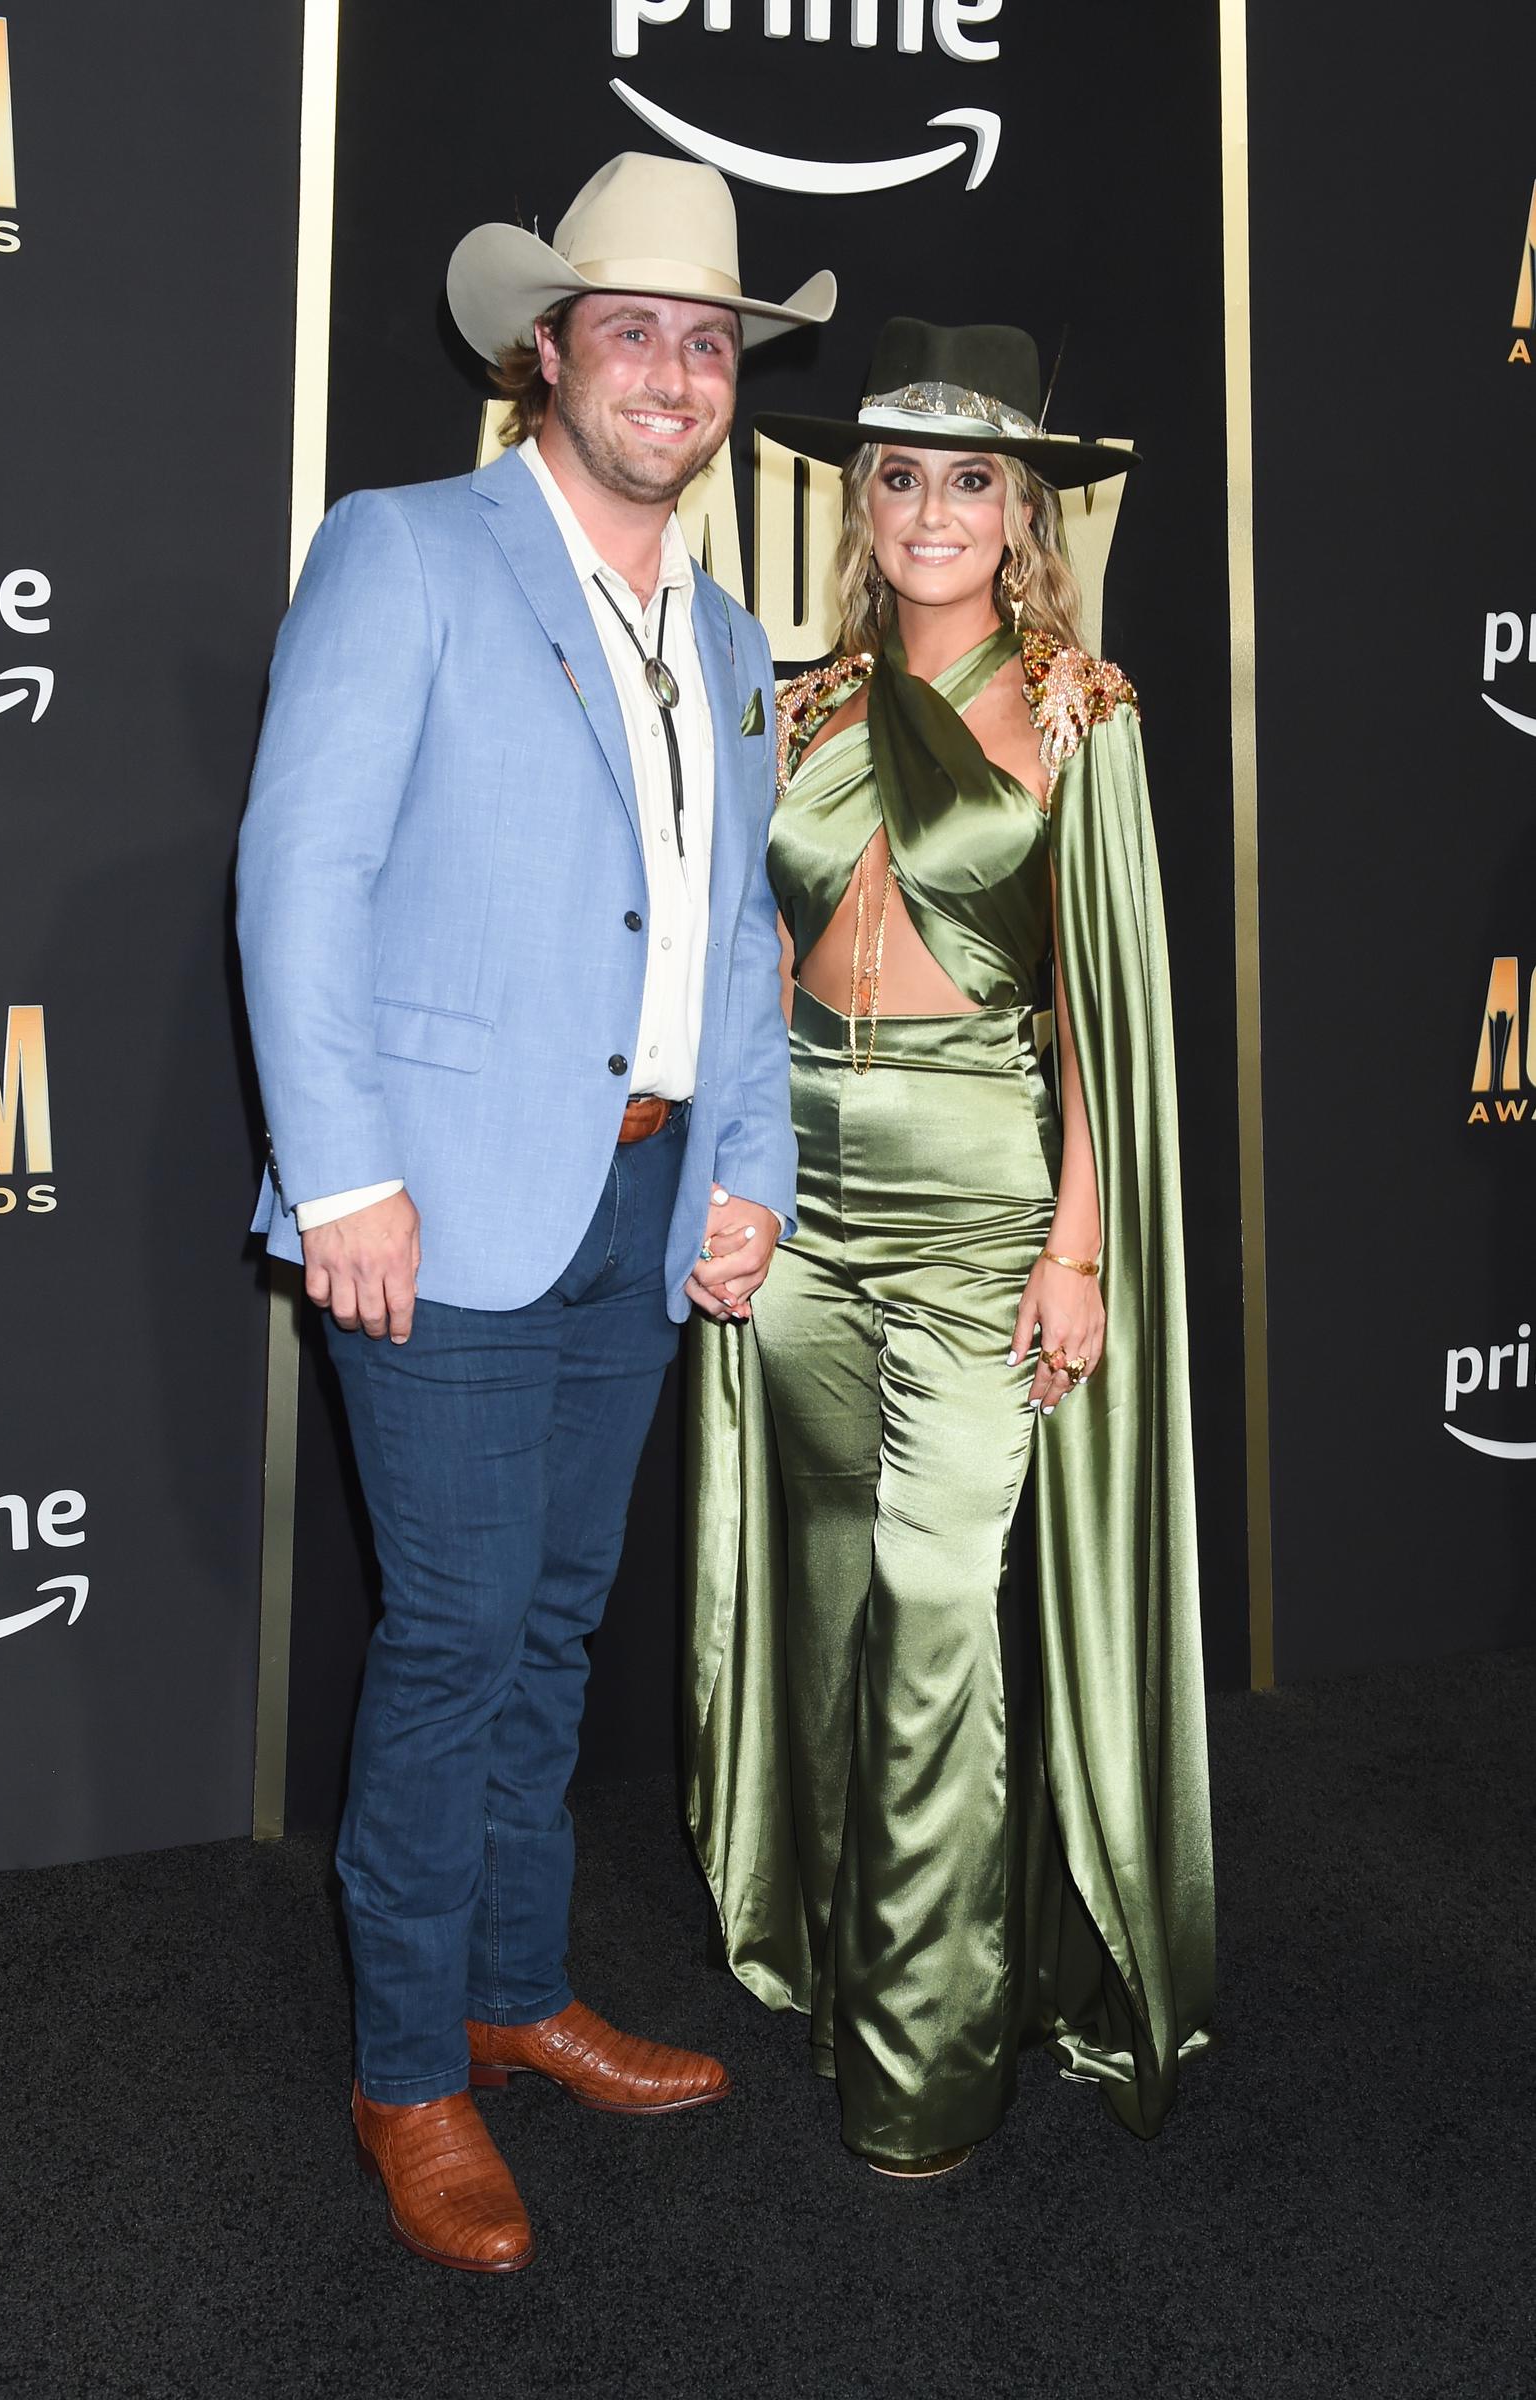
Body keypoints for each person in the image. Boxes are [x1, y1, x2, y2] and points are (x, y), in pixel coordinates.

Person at [236, 154, 835, 2272]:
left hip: (650, 1198)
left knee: (559, 1623)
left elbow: (732, 937)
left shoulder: (735, 631)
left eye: (710, 343)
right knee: (460, 1635)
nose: (675, 371)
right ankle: (409, 2072)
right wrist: (346, 1175)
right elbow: (297, 876)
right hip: (441, 1199)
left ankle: (512, 1991)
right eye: (636, 331)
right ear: (546, 353)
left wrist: (746, 1167)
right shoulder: (404, 554)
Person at [686, 319, 1215, 2177]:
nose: (928, 509)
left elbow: (1100, 1017)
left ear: (1024, 513)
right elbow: (746, 963)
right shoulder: (807, 700)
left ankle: (924, 2070)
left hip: (987, 1197)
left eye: (969, 477)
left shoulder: (1086, 710)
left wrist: (1076, 1250)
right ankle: (846, 1966)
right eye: (897, 474)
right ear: (859, 501)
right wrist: (731, 1183)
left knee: (931, 1622)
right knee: (830, 1604)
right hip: (802, 1201)